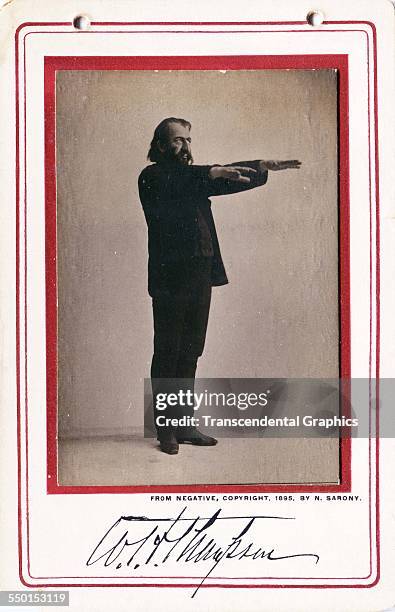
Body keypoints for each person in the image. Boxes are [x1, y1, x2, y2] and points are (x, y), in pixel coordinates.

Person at [138, 117, 301, 455]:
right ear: (161, 145)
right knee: (168, 352)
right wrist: (212, 172)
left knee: (190, 352)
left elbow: (226, 178)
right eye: (178, 140)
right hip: (171, 279)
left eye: (188, 140)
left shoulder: (195, 179)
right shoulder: (153, 177)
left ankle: (185, 425)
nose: (185, 147)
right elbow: (186, 180)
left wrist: (259, 167)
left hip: (200, 275)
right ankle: (165, 429)